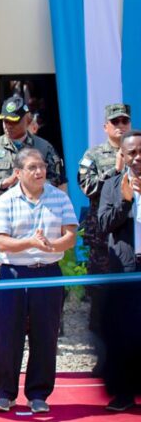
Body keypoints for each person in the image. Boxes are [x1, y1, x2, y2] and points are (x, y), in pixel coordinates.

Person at [0, 148, 77, 414]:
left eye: (41, 167)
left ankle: (38, 393)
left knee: (45, 334)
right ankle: (5, 394)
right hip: (14, 274)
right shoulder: (6, 200)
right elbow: (1, 241)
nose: (39, 172)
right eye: (32, 168)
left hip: (48, 273)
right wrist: (30, 243)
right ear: (18, 173)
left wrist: (52, 247)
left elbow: (71, 235)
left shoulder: (59, 197)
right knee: (7, 335)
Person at [0, 95, 66, 329]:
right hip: (2, 230)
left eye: (14, 120)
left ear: (27, 119)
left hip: (40, 227)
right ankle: (4, 345)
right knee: (1, 288)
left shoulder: (44, 148)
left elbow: (58, 182)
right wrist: (4, 184)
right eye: (5, 120)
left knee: (40, 289)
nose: (8, 125)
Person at [78, 103, 132, 377]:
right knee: (100, 301)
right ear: (105, 127)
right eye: (115, 122)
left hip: (131, 239)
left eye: (124, 121)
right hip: (103, 239)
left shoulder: (137, 150)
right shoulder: (94, 155)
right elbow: (86, 186)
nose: (120, 126)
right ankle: (103, 360)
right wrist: (116, 171)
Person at [97, 129, 141, 411]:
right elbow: (103, 225)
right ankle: (124, 394)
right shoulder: (112, 186)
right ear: (121, 156)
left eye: (140, 152)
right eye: (131, 153)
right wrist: (125, 202)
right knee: (126, 333)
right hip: (126, 269)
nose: (136, 158)